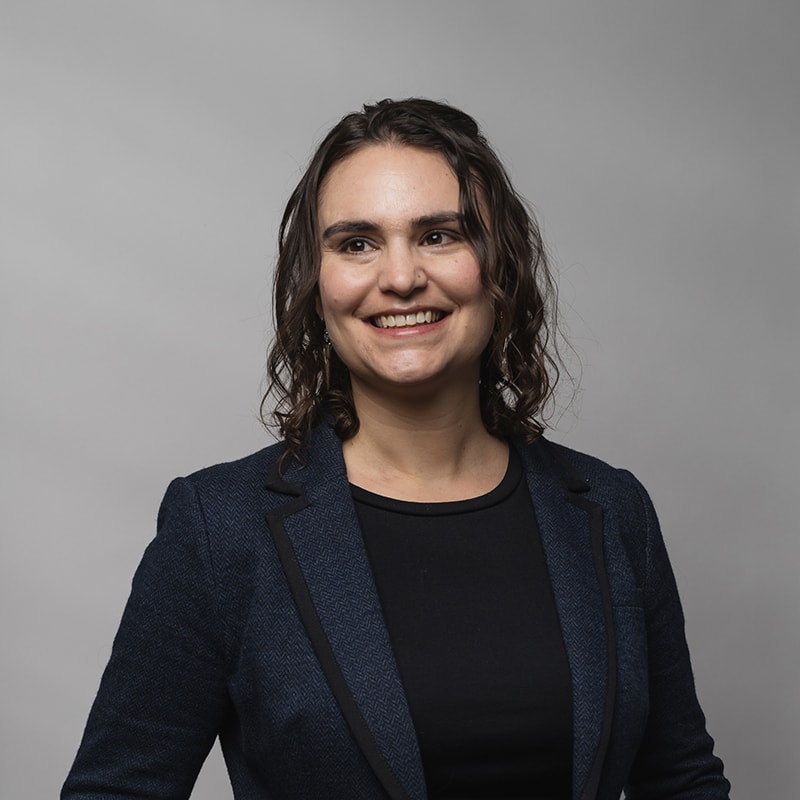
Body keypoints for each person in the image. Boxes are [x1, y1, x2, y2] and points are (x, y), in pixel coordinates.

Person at [62, 98, 730, 800]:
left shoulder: (611, 510)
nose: (402, 277)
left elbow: (681, 780)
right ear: (315, 285)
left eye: (440, 235)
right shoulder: (219, 530)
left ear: (498, 262)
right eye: (356, 243)